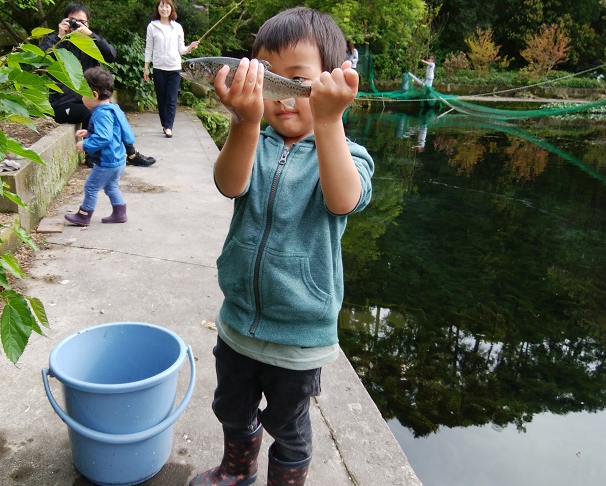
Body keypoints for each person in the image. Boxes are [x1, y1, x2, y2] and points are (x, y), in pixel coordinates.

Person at [189, 7, 374, 486]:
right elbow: (229, 184)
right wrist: (243, 122)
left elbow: (343, 199)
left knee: (288, 427)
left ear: (332, 81)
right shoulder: (255, 141)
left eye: (298, 80)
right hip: (239, 320)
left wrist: (329, 121)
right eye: (267, 75)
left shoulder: (349, 155)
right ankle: (238, 470)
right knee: (230, 406)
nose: (283, 94)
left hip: (300, 333)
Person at [41, 2, 155, 167]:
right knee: (90, 113)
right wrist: (60, 37)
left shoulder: (90, 43)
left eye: (82, 22)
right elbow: (41, 61)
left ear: (88, 24)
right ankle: (92, 156)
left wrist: (90, 35)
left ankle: (131, 153)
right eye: (73, 21)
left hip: (88, 98)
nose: (77, 25)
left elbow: (111, 55)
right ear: (65, 21)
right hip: (63, 103)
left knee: (114, 111)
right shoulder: (55, 41)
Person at [64, 67, 134, 226]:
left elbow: (104, 137)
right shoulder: (112, 108)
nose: (82, 99)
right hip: (118, 160)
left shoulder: (101, 114)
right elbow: (111, 132)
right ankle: (120, 212)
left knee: (91, 187)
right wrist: (89, 133)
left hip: (107, 162)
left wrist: (85, 144)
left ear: (94, 95)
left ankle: (84, 216)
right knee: (111, 186)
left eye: (83, 94)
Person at [143, 0, 199, 138]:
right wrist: (146, 68)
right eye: (161, 6)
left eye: (167, 6)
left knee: (172, 99)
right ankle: (165, 124)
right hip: (158, 67)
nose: (164, 9)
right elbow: (149, 48)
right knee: (161, 98)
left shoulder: (177, 27)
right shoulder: (152, 27)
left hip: (175, 67)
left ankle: (169, 126)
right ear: (158, 8)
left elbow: (181, 50)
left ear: (171, 8)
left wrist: (190, 47)